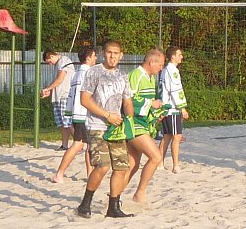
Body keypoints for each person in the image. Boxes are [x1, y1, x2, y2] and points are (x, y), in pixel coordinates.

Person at [76, 40, 135, 218]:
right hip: (97, 125)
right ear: (103, 53)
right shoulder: (94, 72)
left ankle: (113, 207)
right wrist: (107, 115)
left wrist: (129, 120)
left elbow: (127, 101)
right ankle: (85, 203)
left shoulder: (123, 76)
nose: (112, 56)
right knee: (102, 166)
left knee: (121, 167)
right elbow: (85, 100)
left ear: (121, 55)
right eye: (109, 52)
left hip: (116, 127)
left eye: (116, 53)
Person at [126, 48, 166, 203]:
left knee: (133, 165)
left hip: (143, 124)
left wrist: (156, 113)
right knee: (156, 157)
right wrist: (151, 103)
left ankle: (115, 196)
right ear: (151, 62)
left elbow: (148, 105)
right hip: (134, 124)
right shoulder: (136, 75)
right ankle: (139, 193)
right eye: (160, 64)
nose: (161, 68)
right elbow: (128, 100)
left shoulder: (150, 78)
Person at [51, 47, 96, 183]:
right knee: (79, 145)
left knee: (87, 145)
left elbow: (71, 96)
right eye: (94, 55)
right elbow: (91, 96)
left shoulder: (76, 74)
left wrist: (69, 114)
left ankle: (90, 174)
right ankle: (59, 173)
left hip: (78, 114)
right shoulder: (88, 74)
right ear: (88, 57)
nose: (96, 58)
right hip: (83, 114)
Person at [157, 46, 190, 173]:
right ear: (173, 57)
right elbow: (176, 91)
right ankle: (175, 165)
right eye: (179, 54)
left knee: (167, 136)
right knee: (177, 136)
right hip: (172, 109)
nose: (181, 57)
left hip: (166, 108)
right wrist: (182, 108)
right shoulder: (173, 71)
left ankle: (160, 163)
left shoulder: (164, 70)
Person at [41, 49, 77, 151]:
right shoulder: (58, 65)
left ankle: (79, 143)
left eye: (49, 61)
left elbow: (60, 79)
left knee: (68, 122)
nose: (50, 64)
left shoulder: (64, 61)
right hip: (58, 97)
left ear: (52, 56)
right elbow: (57, 82)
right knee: (62, 123)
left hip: (65, 96)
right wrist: (50, 91)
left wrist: (48, 88)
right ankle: (64, 145)